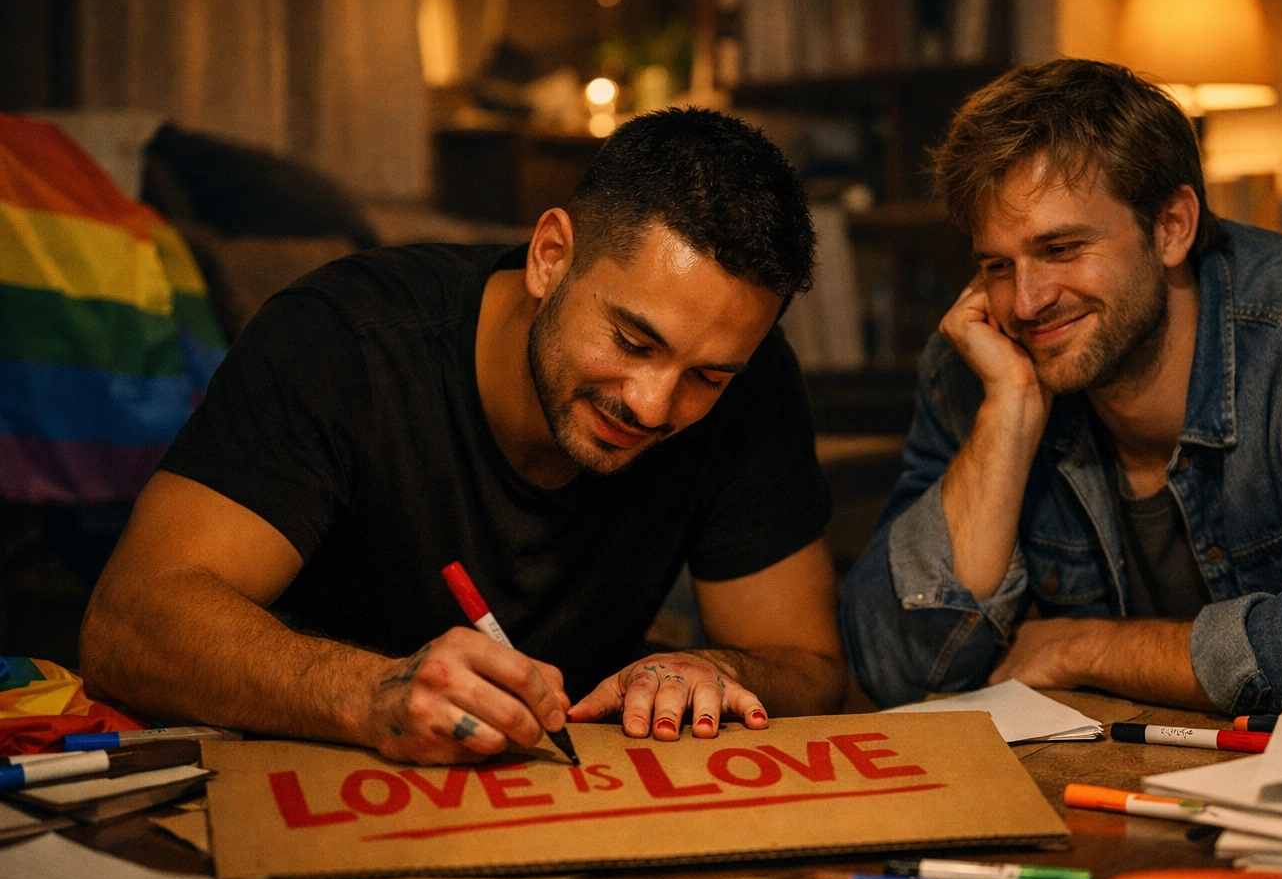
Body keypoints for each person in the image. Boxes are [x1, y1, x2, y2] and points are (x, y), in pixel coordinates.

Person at [82, 108, 848, 764]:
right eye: (631, 341)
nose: (652, 405)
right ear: (552, 256)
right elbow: (130, 622)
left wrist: (708, 668)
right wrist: (370, 693)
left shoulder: (748, 377)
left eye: (706, 377)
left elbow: (811, 668)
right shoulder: (344, 340)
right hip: (317, 781)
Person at [841, 59, 1282, 717]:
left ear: (1172, 227)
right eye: (997, 263)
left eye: (1062, 249)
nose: (1025, 302)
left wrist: (1085, 648)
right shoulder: (981, 362)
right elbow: (893, 669)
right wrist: (1011, 415)